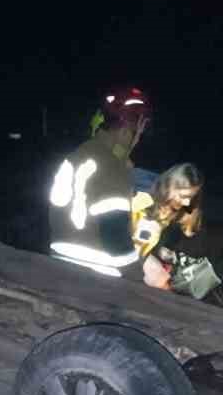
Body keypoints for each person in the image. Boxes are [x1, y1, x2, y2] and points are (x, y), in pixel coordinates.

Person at [47, 85, 151, 275]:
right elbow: (115, 238)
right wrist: (142, 275)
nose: (137, 141)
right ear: (125, 131)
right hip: (95, 273)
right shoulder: (111, 165)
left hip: (59, 261)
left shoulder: (79, 154)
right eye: (136, 134)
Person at [133, 162, 204, 288]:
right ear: (169, 187)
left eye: (191, 197)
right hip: (122, 256)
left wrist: (161, 253)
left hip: (138, 257)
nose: (187, 202)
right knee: (160, 280)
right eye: (183, 196)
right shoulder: (140, 201)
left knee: (165, 279)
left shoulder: (171, 211)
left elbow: (146, 242)